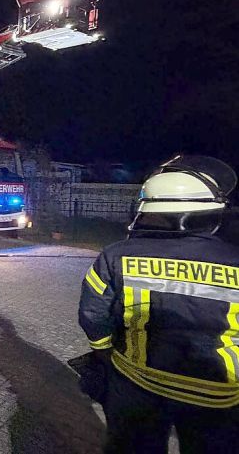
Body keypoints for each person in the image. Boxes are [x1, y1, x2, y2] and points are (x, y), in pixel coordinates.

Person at [78, 155, 239, 453]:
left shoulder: (115, 256)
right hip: (217, 394)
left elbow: (93, 315)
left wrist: (104, 354)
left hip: (137, 383)